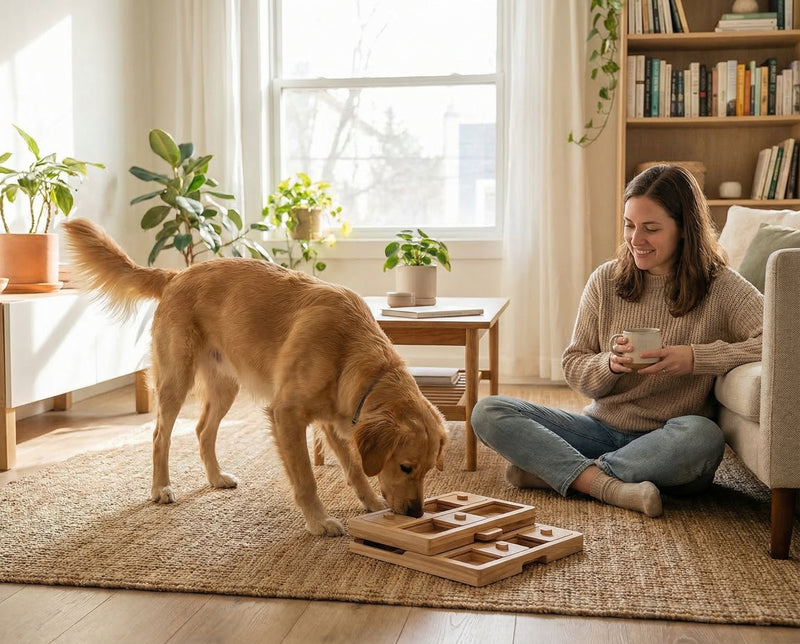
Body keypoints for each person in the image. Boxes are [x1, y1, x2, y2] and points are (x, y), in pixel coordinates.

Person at [471, 164, 763, 517]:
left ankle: (563, 473)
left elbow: (781, 338)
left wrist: (695, 358)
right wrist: (608, 363)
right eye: (629, 225)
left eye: (651, 229)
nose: (635, 239)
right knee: (489, 411)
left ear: (685, 229)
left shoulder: (721, 286)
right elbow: (574, 365)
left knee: (704, 437)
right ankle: (611, 485)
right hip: (600, 429)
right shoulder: (606, 280)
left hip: (669, 439)